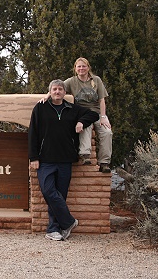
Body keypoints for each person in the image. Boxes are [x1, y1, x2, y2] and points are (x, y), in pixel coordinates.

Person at [29, 79, 99, 241]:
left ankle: (54, 229)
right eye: (54, 89)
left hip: (66, 159)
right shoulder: (40, 108)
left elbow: (93, 114)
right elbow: (33, 133)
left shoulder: (72, 109)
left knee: (60, 195)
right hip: (45, 159)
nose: (57, 92)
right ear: (50, 91)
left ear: (64, 92)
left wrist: (82, 121)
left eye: (60, 89)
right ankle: (68, 222)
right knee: (48, 191)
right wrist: (34, 157)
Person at [40, 57, 112, 173]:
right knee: (85, 127)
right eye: (79, 66)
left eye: (84, 66)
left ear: (88, 68)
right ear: (75, 68)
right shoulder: (71, 81)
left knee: (107, 132)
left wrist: (103, 117)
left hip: (97, 113)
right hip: (82, 113)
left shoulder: (96, 80)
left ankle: (104, 162)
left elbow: (102, 100)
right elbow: (58, 87)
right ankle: (85, 155)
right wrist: (47, 96)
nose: (81, 69)